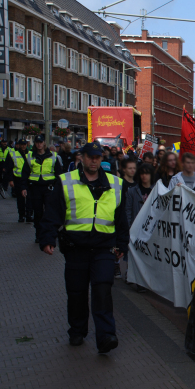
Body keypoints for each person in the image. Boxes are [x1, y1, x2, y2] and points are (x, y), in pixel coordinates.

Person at [39, 142, 128, 354]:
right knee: (77, 293)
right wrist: (47, 238)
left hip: (103, 249)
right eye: (90, 157)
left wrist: (122, 243)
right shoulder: (66, 182)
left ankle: (106, 335)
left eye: (97, 157)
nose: (94, 160)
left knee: (102, 289)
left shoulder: (116, 184)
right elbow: (52, 212)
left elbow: (121, 218)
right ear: (82, 157)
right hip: (76, 248)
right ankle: (77, 331)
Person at [23, 135, 63, 243]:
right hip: (35, 188)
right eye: (37, 142)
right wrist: (24, 187)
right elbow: (25, 173)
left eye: (41, 142)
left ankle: (49, 235)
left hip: (49, 188)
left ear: (44, 143)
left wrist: (59, 188)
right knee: (38, 213)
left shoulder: (53, 156)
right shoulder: (30, 155)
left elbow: (59, 173)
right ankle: (39, 234)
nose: (39, 144)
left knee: (50, 212)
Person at [7, 140, 30, 222]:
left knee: (29, 198)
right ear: (19, 145)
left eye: (24, 144)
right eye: (22, 145)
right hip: (18, 179)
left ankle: (29, 215)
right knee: (20, 199)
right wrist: (10, 180)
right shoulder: (13, 154)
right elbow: (9, 168)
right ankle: (21, 215)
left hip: (29, 179)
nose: (23, 146)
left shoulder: (30, 153)